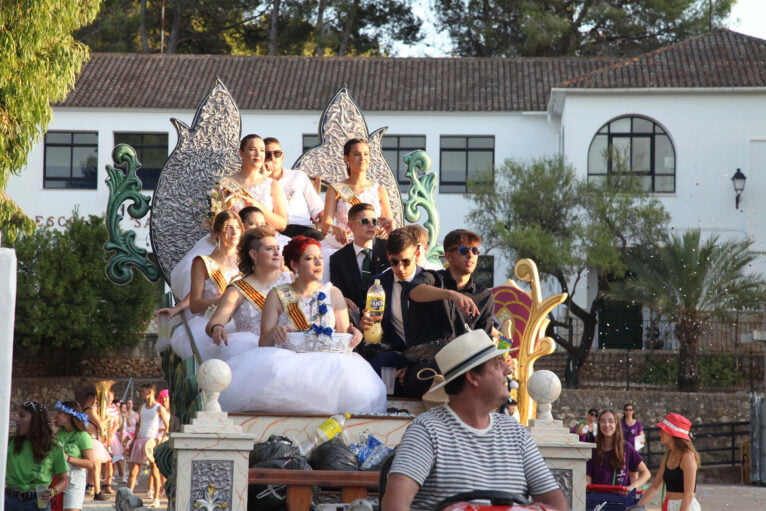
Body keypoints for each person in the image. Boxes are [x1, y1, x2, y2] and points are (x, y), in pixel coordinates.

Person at [382, 330, 567, 511]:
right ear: (473, 377)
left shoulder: (516, 433)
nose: (508, 369)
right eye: (497, 364)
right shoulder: (427, 430)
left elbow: (555, 504)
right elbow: (395, 505)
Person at [218, 236, 387, 414]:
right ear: (295, 265)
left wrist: (356, 334)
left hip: (328, 365)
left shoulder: (334, 293)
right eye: (309, 258)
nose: (318, 263)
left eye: (320, 258)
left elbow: (343, 338)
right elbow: (263, 343)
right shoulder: (277, 295)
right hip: (288, 362)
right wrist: (275, 331)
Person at [169, 134, 287, 299]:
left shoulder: (272, 185)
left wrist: (256, 205)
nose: (258, 155)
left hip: (263, 238)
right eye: (252, 150)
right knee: (194, 265)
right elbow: (215, 223)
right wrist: (228, 206)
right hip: (231, 239)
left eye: (261, 150)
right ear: (241, 153)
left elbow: (282, 223)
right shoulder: (225, 184)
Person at [400, 229, 495, 397]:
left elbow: (486, 340)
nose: (471, 255)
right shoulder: (432, 279)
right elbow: (412, 291)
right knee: (426, 379)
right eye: (464, 250)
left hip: (464, 366)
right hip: (428, 363)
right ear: (449, 256)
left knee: (495, 385)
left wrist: (501, 356)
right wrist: (450, 294)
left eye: (475, 251)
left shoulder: (484, 296)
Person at [163, 211, 243, 360]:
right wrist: (223, 301)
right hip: (208, 322)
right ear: (216, 233)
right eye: (228, 228)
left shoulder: (246, 263)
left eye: (238, 227)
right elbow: (195, 303)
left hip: (239, 321)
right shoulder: (202, 263)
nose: (234, 232)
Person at [205, 225, 293, 358]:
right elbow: (215, 322)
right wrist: (217, 327)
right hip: (254, 354)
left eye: (277, 248)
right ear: (254, 254)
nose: (276, 253)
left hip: (292, 351)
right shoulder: (237, 290)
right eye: (269, 249)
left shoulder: (291, 280)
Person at [358, 227, 422, 385]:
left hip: (423, 353)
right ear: (388, 256)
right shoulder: (379, 283)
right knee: (376, 366)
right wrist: (364, 325)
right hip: (394, 349)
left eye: (406, 262)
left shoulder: (430, 280)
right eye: (394, 262)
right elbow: (372, 321)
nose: (400, 268)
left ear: (417, 254)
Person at [320, 138, 395, 263]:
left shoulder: (379, 190)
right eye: (356, 154)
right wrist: (335, 229)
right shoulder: (336, 189)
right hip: (343, 245)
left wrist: (383, 230)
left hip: (372, 246)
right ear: (346, 158)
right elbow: (325, 225)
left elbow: (388, 223)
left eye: (366, 154)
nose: (362, 158)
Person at [6, 401, 68, 511]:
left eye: (22, 415)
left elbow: (63, 480)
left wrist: (52, 492)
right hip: (11, 500)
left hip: (38, 501)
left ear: (35, 420)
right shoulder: (11, 443)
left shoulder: (54, 446)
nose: (16, 419)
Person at [329, 203, 389, 317]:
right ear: (351, 226)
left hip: (387, 318)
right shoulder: (338, 259)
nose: (371, 225)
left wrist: (393, 232)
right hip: (354, 320)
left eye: (375, 221)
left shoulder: (388, 249)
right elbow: (337, 292)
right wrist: (342, 299)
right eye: (365, 221)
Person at [263, 137, 324, 239]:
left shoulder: (298, 176)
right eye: (267, 155)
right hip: (274, 230)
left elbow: (316, 206)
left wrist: (321, 213)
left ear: (282, 157)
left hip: (303, 228)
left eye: (277, 153)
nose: (273, 158)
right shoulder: (259, 181)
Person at [637, 413, 700, 511]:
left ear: (673, 434)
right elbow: (655, 486)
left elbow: (689, 494)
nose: (660, 433)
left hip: (686, 506)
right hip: (669, 504)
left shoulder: (687, 456)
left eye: (663, 430)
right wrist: (638, 506)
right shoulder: (667, 455)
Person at [127, 384, 169, 508]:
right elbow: (139, 425)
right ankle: (129, 496)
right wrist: (134, 439)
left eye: (143, 391)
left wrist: (160, 441)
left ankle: (156, 499)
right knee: (134, 470)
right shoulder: (142, 407)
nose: (141, 393)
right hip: (141, 439)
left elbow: (167, 425)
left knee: (154, 470)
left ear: (150, 392)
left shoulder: (159, 408)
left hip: (152, 441)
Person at [586, 410, 650, 491]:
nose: (607, 425)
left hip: (620, 500)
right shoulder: (593, 449)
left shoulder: (626, 447)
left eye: (611, 421)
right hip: (598, 500)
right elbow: (587, 478)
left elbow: (646, 473)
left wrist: (632, 487)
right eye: (602, 421)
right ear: (599, 425)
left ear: (616, 424)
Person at [53, 402, 95, 511]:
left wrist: (68, 458)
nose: (55, 416)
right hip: (56, 480)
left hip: (74, 481)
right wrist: (51, 433)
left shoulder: (82, 436)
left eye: (59, 413)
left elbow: (90, 463)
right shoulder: (58, 433)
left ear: (68, 415)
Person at [77, 388, 110, 501]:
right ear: (91, 399)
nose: (96, 402)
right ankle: (98, 491)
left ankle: (90, 485)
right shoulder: (91, 410)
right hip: (93, 440)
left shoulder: (83, 411)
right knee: (97, 467)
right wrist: (107, 419)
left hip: (89, 439)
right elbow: (100, 424)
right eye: (95, 400)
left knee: (92, 467)